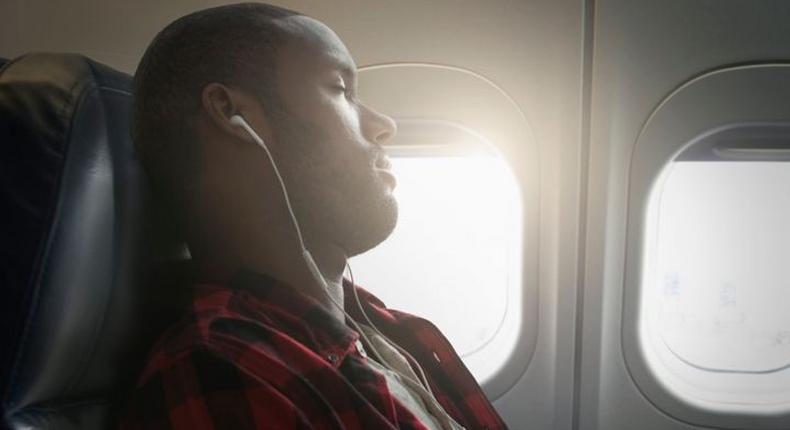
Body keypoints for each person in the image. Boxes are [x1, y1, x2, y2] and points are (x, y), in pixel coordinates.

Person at [119, 3, 507, 429]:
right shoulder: (225, 368)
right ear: (233, 113)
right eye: (341, 88)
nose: (385, 124)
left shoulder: (390, 331)